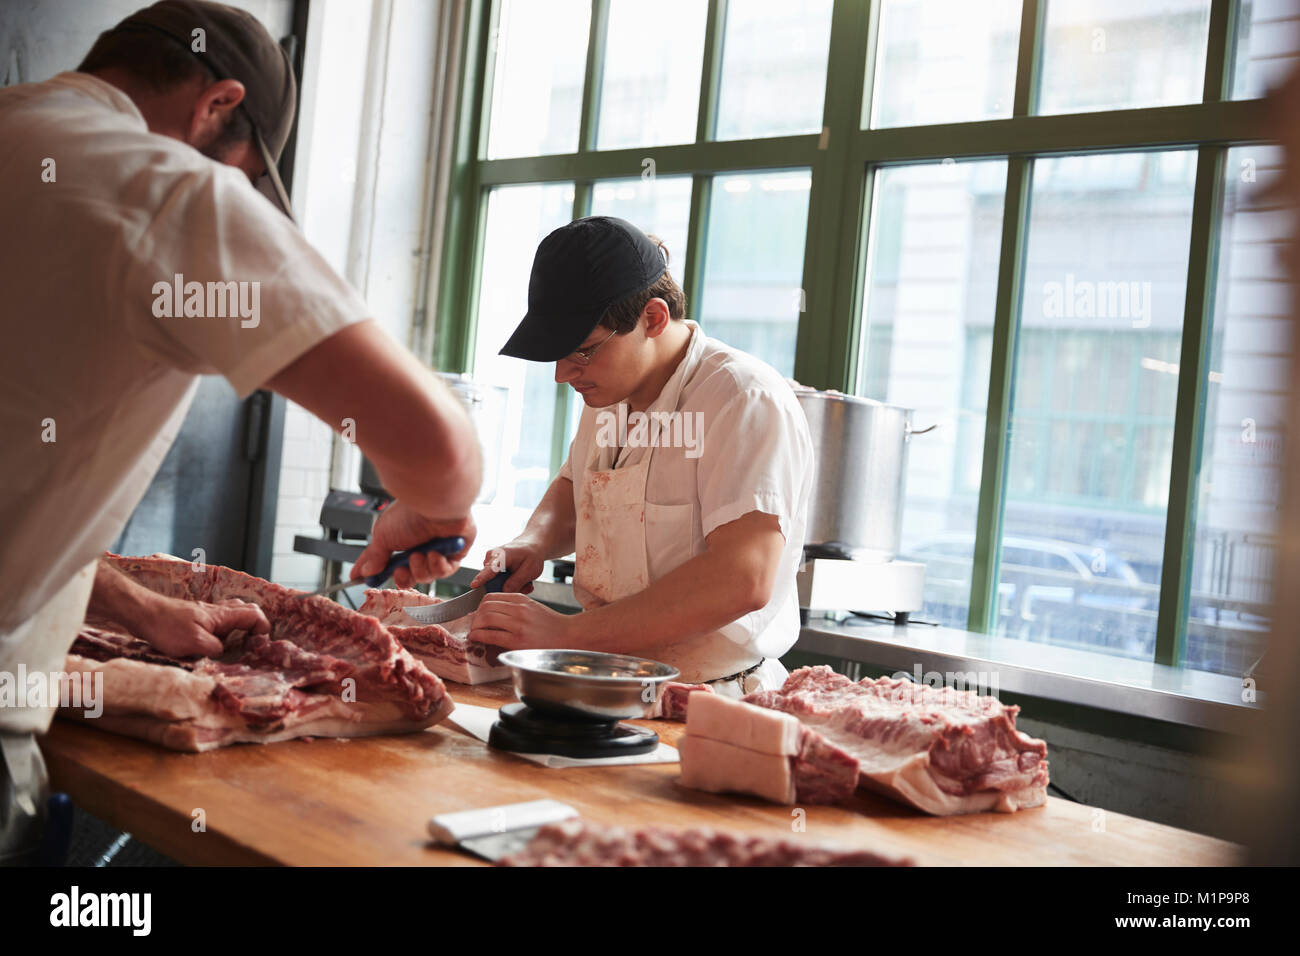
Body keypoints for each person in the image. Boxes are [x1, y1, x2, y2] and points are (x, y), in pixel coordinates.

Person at [0, 0, 479, 863]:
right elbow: (441, 453)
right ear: (218, 104)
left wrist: (146, 611)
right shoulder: (168, 191)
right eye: (251, 171)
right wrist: (421, 507)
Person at [356, 215, 814, 696]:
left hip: (710, 696)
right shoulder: (609, 392)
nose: (561, 375)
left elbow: (743, 578)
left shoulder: (741, 399)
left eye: (583, 351)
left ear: (653, 319)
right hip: (606, 681)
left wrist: (567, 635)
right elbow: (579, 489)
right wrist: (532, 543)